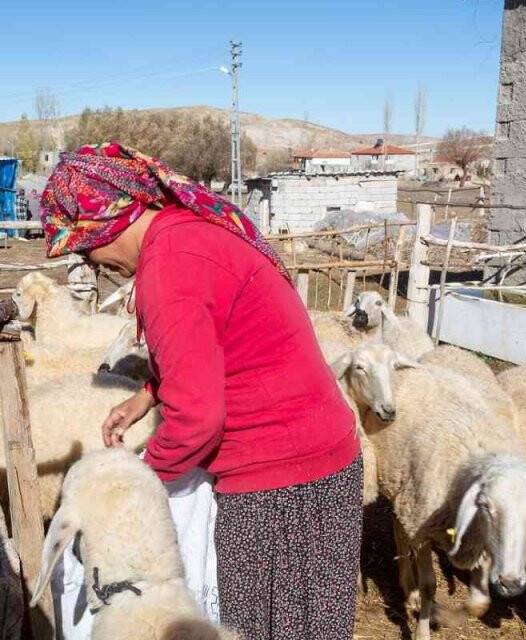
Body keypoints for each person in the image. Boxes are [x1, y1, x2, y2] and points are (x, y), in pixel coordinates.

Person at [39, 143, 364, 640]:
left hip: (277, 484)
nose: (92, 261)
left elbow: (197, 418)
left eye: (83, 247)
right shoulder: (188, 230)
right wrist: (148, 393)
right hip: (316, 459)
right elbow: (218, 342)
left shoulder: (169, 268)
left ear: (107, 223)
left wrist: (133, 486)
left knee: (260, 629)